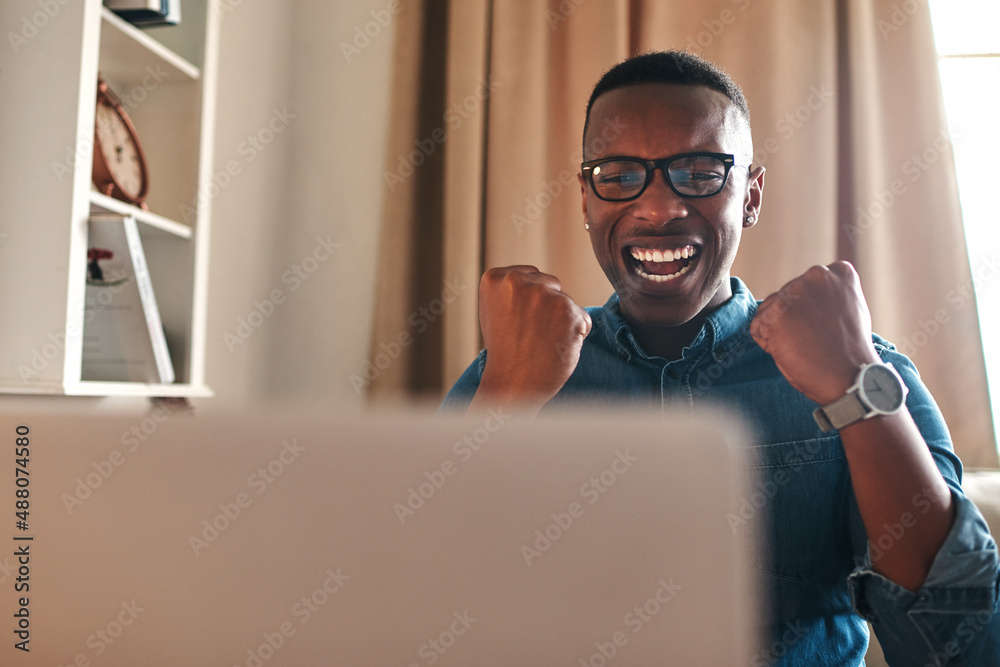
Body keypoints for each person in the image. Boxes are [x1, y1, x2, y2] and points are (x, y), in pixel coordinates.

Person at [440, 50, 999, 665]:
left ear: (751, 195)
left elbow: (960, 647)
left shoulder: (867, 372)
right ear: (585, 198)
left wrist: (855, 389)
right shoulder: (511, 373)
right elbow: (420, 616)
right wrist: (507, 402)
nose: (658, 209)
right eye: (620, 175)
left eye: (701, 171)